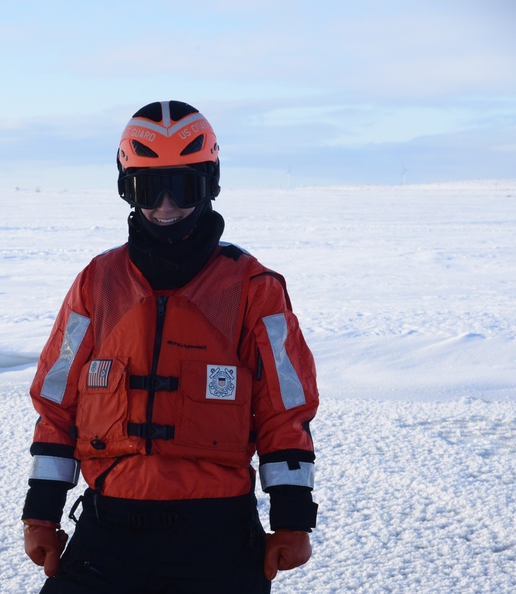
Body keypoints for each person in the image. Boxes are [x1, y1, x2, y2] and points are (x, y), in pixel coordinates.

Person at [21, 100, 319, 593]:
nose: (165, 205)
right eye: (147, 186)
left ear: (209, 184)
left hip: (215, 535)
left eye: (182, 186)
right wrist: (40, 513)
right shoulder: (97, 283)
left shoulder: (253, 287)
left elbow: (285, 411)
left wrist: (292, 520)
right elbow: (57, 403)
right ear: (125, 189)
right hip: (110, 531)